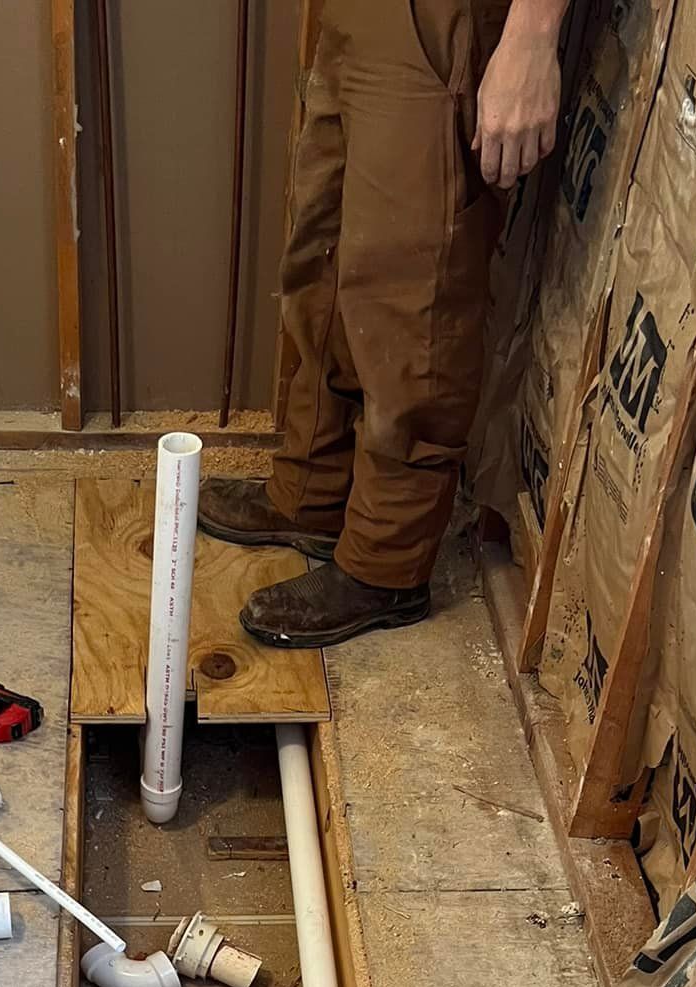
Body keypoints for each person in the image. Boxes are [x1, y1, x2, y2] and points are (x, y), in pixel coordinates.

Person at [198, 0, 567, 648]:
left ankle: (384, 561)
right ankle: (310, 490)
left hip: (441, 18)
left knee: (412, 284)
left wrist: (532, 35)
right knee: (324, 255)